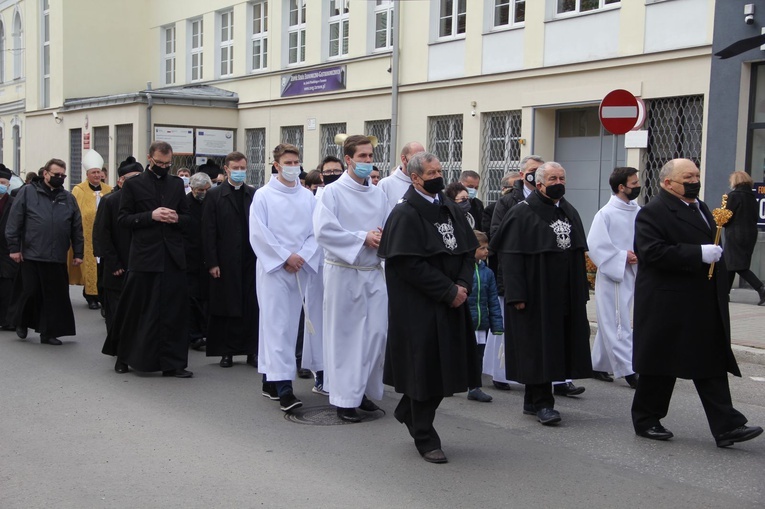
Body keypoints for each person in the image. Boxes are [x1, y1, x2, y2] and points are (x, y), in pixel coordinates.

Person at [631, 158, 763, 447]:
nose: (695, 181)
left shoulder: (701, 207)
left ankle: (727, 426)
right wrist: (697, 254)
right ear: (668, 183)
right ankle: (646, 419)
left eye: (696, 175)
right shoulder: (653, 212)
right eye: (688, 177)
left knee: (709, 360)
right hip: (668, 302)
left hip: (701, 300)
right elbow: (651, 253)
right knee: (661, 363)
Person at [379, 151, 479, 464]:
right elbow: (409, 265)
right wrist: (447, 291)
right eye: (431, 173)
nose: (438, 176)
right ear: (415, 178)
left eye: (440, 170)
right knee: (424, 370)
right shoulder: (405, 213)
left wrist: (463, 285)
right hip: (421, 307)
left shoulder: (449, 206)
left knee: (445, 368)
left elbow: (466, 250)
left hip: (453, 300)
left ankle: (407, 410)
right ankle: (424, 435)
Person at [490, 162, 592, 426]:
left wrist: (581, 291)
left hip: (563, 293)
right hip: (535, 292)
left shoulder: (568, 211)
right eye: (553, 178)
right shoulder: (521, 213)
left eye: (562, 177)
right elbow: (510, 258)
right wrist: (516, 294)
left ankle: (532, 401)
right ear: (539, 183)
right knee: (538, 346)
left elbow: (577, 252)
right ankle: (544, 403)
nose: (559, 182)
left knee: (554, 345)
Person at [314, 135, 390, 423]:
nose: (368, 162)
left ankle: (363, 391)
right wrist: (362, 238)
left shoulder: (378, 194)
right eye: (362, 157)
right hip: (344, 272)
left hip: (373, 273)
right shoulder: (331, 193)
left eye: (370, 157)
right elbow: (323, 231)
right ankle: (345, 399)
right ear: (348, 159)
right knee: (346, 336)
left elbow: (387, 226)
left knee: (376, 334)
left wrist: (382, 238)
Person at [111, 141, 192, 378]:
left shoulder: (176, 184)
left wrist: (176, 218)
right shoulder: (134, 185)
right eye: (159, 163)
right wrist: (151, 215)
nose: (164, 167)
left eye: (168, 164)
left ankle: (173, 363)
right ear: (149, 159)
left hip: (172, 258)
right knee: (136, 310)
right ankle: (124, 357)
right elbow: (123, 220)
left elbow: (188, 219)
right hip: (144, 257)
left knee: (173, 313)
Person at [250, 143, 321, 413]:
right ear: (276, 165)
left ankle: (270, 379)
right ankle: (284, 388)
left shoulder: (307, 197)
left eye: (296, 162)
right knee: (277, 325)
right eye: (288, 162)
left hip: (300, 267)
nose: (293, 167)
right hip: (275, 270)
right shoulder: (264, 196)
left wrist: (302, 254)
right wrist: (284, 257)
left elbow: (316, 230)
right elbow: (259, 233)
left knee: (291, 325)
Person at [5, 159, 84, 345]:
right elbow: (14, 222)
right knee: (30, 292)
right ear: (45, 174)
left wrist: (79, 253)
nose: (60, 178)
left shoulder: (68, 198)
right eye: (56, 174)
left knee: (54, 297)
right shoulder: (27, 193)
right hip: (31, 254)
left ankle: (48, 333)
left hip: (56, 256)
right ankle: (22, 322)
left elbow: (76, 227)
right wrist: (14, 248)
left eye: (62, 175)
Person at [203, 151, 259, 368]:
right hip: (225, 261)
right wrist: (212, 262)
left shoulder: (253, 194)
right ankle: (226, 351)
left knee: (250, 306)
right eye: (235, 168)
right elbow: (208, 231)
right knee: (226, 306)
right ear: (226, 169)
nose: (239, 172)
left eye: (242, 168)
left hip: (250, 259)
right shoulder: (215, 195)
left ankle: (251, 351)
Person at [587, 167, 641, 388]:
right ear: (621, 187)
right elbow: (595, 245)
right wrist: (621, 256)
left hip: (634, 272)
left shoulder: (639, 210)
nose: (638, 186)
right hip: (614, 274)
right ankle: (629, 370)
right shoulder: (605, 214)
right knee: (617, 323)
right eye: (634, 183)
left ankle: (598, 364)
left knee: (612, 320)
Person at [96, 157, 144, 370]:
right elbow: (101, 235)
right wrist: (113, 263)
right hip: (117, 267)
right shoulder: (110, 201)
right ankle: (120, 356)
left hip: (140, 266)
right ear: (121, 180)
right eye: (131, 179)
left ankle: (136, 353)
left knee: (139, 314)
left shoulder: (144, 201)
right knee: (117, 315)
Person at [69, 150, 112, 310]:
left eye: (98, 172)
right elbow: (75, 212)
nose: (96, 175)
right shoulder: (78, 190)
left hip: (104, 233)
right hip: (86, 234)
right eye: (93, 172)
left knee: (103, 266)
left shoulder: (109, 189)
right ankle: (91, 296)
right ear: (87, 174)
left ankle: (103, 294)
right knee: (89, 266)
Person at [466, 230, 503, 403]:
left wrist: (496, 325)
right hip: (467, 321)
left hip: (481, 322)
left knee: (478, 355)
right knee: (463, 353)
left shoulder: (487, 272)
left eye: (487, 248)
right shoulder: (464, 270)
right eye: (482, 248)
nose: (486, 252)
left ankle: (474, 387)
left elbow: (493, 301)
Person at [723, 171, 765, 305]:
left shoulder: (734, 196)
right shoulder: (751, 197)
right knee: (732, 264)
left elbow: (726, 216)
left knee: (739, 266)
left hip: (735, 234)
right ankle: (724, 293)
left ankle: (761, 288)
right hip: (750, 234)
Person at [183, 172, 212, 351]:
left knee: (207, 299)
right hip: (190, 257)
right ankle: (194, 335)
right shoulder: (184, 203)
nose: (203, 193)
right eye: (200, 190)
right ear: (193, 189)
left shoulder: (212, 201)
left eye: (206, 189)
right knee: (192, 298)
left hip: (208, 258)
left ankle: (205, 332)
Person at [490, 156, 545, 238]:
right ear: (522, 175)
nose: (537, 174)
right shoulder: (506, 201)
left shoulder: (553, 199)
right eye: (533, 170)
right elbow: (496, 232)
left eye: (540, 171)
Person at [377, 141, 425, 209]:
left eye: (423, 158)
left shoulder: (425, 183)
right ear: (404, 159)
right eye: (416, 158)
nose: (420, 162)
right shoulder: (386, 184)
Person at [0, 165, 18, 330]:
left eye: (4, 182)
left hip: (8, 250)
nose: (1, 185)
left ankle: (8, 319)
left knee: (7, 285)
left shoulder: (13, 203)